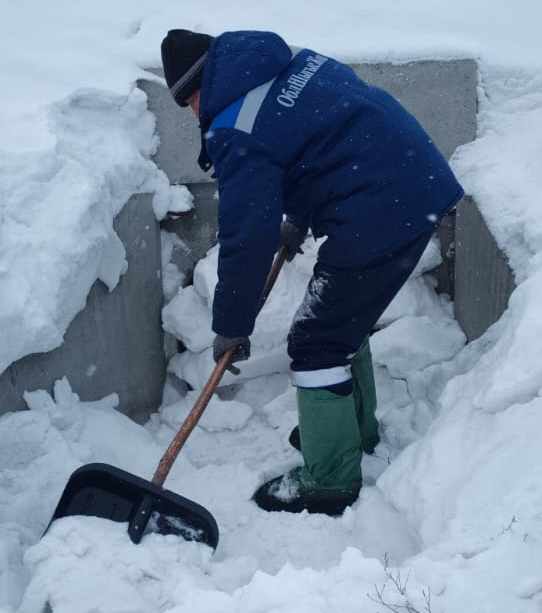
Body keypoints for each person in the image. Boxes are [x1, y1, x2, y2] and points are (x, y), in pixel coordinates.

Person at [160, 29, 464, 515]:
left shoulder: (235, 126)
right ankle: (348, 432)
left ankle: (329, 482)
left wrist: (232, 325)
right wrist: (298, 219)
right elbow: (321, 139)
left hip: (381, 208)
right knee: (342, 322)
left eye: (190, 101)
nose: (195, 113)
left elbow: (245, 237)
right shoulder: (289, 62)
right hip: (412, 181)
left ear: (200, 85)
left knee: (316, 342)